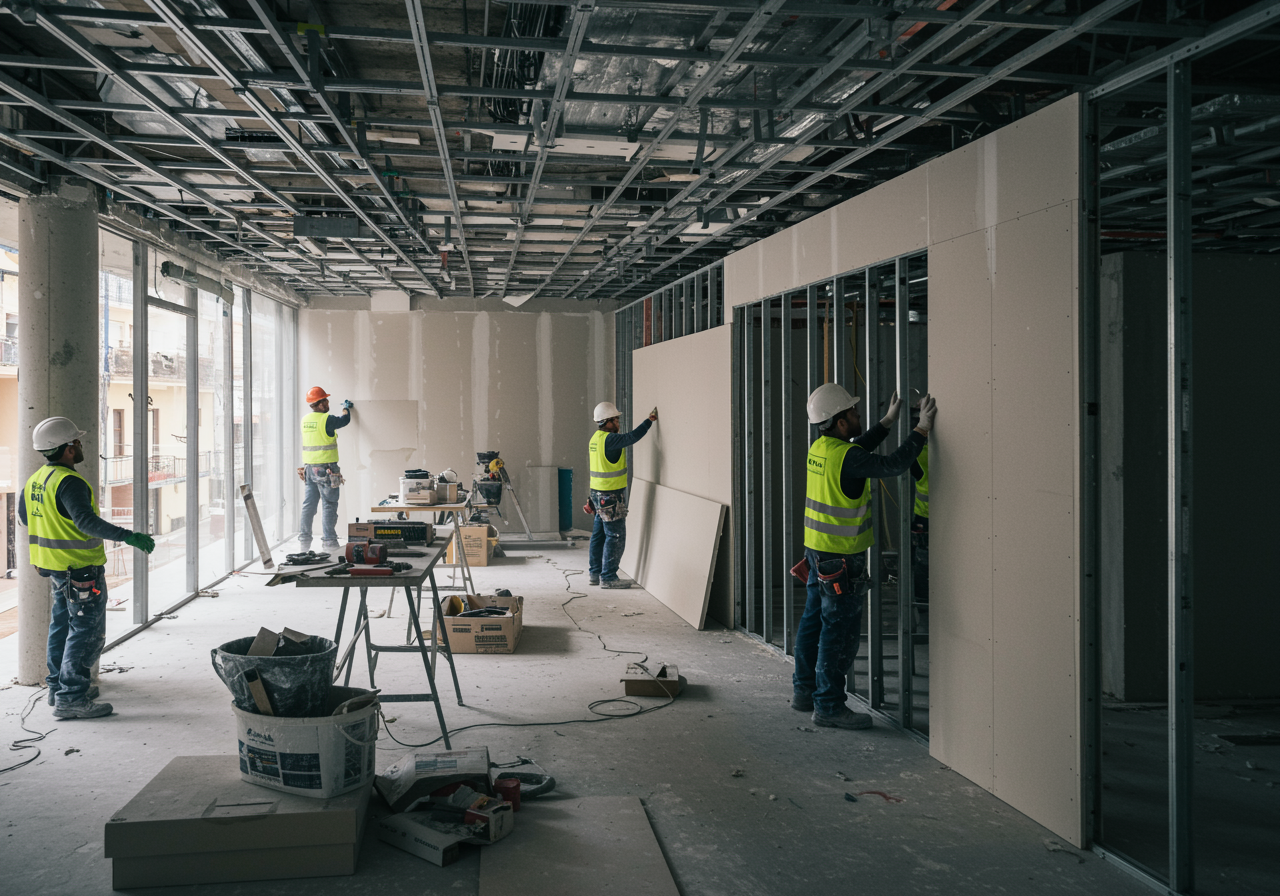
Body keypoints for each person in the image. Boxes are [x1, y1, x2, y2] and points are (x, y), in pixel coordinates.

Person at [793, 384, 937, 730]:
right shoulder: (848, 456)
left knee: (813, 623)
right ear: (841, 422)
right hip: (841, 560)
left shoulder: (822, 446)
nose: (859, 416)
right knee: (838, 633)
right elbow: (892, 464)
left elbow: (856, 452)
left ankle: (805, 691)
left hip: (817, 554)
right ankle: (828, 706)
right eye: (854, 413)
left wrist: (887, 422)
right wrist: (921, 430)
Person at [19, 416, 155, 719]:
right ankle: (72, 697)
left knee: (62, 626)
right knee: (86, 632)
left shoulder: (36, 479)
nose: (80, 446)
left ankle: (58, 688)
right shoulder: (69, 482)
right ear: (67, 448)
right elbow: (85, 522)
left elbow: (25, 518)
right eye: (77, 442)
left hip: (53, 568)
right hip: (80, 570)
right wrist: (128, 536)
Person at [586, 401, 657, 588]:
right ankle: (608, 578)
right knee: (615, 536)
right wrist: (649, 421)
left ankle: (594, 574)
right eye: (616, 419)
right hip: (610, 497)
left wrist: (590, 498)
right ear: (607, 421)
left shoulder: (595, 439)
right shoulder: (611, 439)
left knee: (599, 535)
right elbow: (632, 437)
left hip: (597, 494)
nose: (618, 423)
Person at [299, 386, 352, 553]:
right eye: (326, 400)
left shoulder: (305, 420)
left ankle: (304, 542)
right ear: (320, 404)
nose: (328, 403)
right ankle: (329, 543)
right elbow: (344, 421)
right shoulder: (327, 420)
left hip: (309, 470)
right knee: (329, 505)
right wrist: (346, 409)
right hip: (326, 470)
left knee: (309, 505)